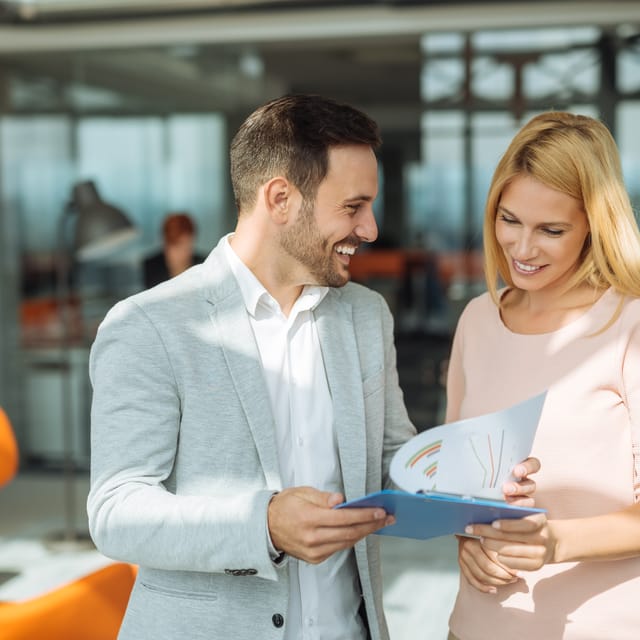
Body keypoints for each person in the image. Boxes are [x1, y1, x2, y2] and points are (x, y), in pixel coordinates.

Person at [87, 94, 537, 640]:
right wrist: (266, 525)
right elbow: (117, 511)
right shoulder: (149, 325)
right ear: (280, 198)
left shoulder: (366, 315)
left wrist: (474, 481)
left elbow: (392, 457)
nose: (370, 229)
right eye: (353, 207)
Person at [445, 111, 640, 640]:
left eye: (551, 230)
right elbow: (459, 488)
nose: (523, 249)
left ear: (594, 227)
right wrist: (466, 542)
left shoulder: (630, 325)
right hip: (475, 626)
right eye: (509, 220)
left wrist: (555, 542)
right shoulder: (479, 320)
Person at [142, 212, 205, 288]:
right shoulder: (151, 267)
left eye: (187, 246)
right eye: (177, 246)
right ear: (166, 244)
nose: (183, 253)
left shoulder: (204, 264)